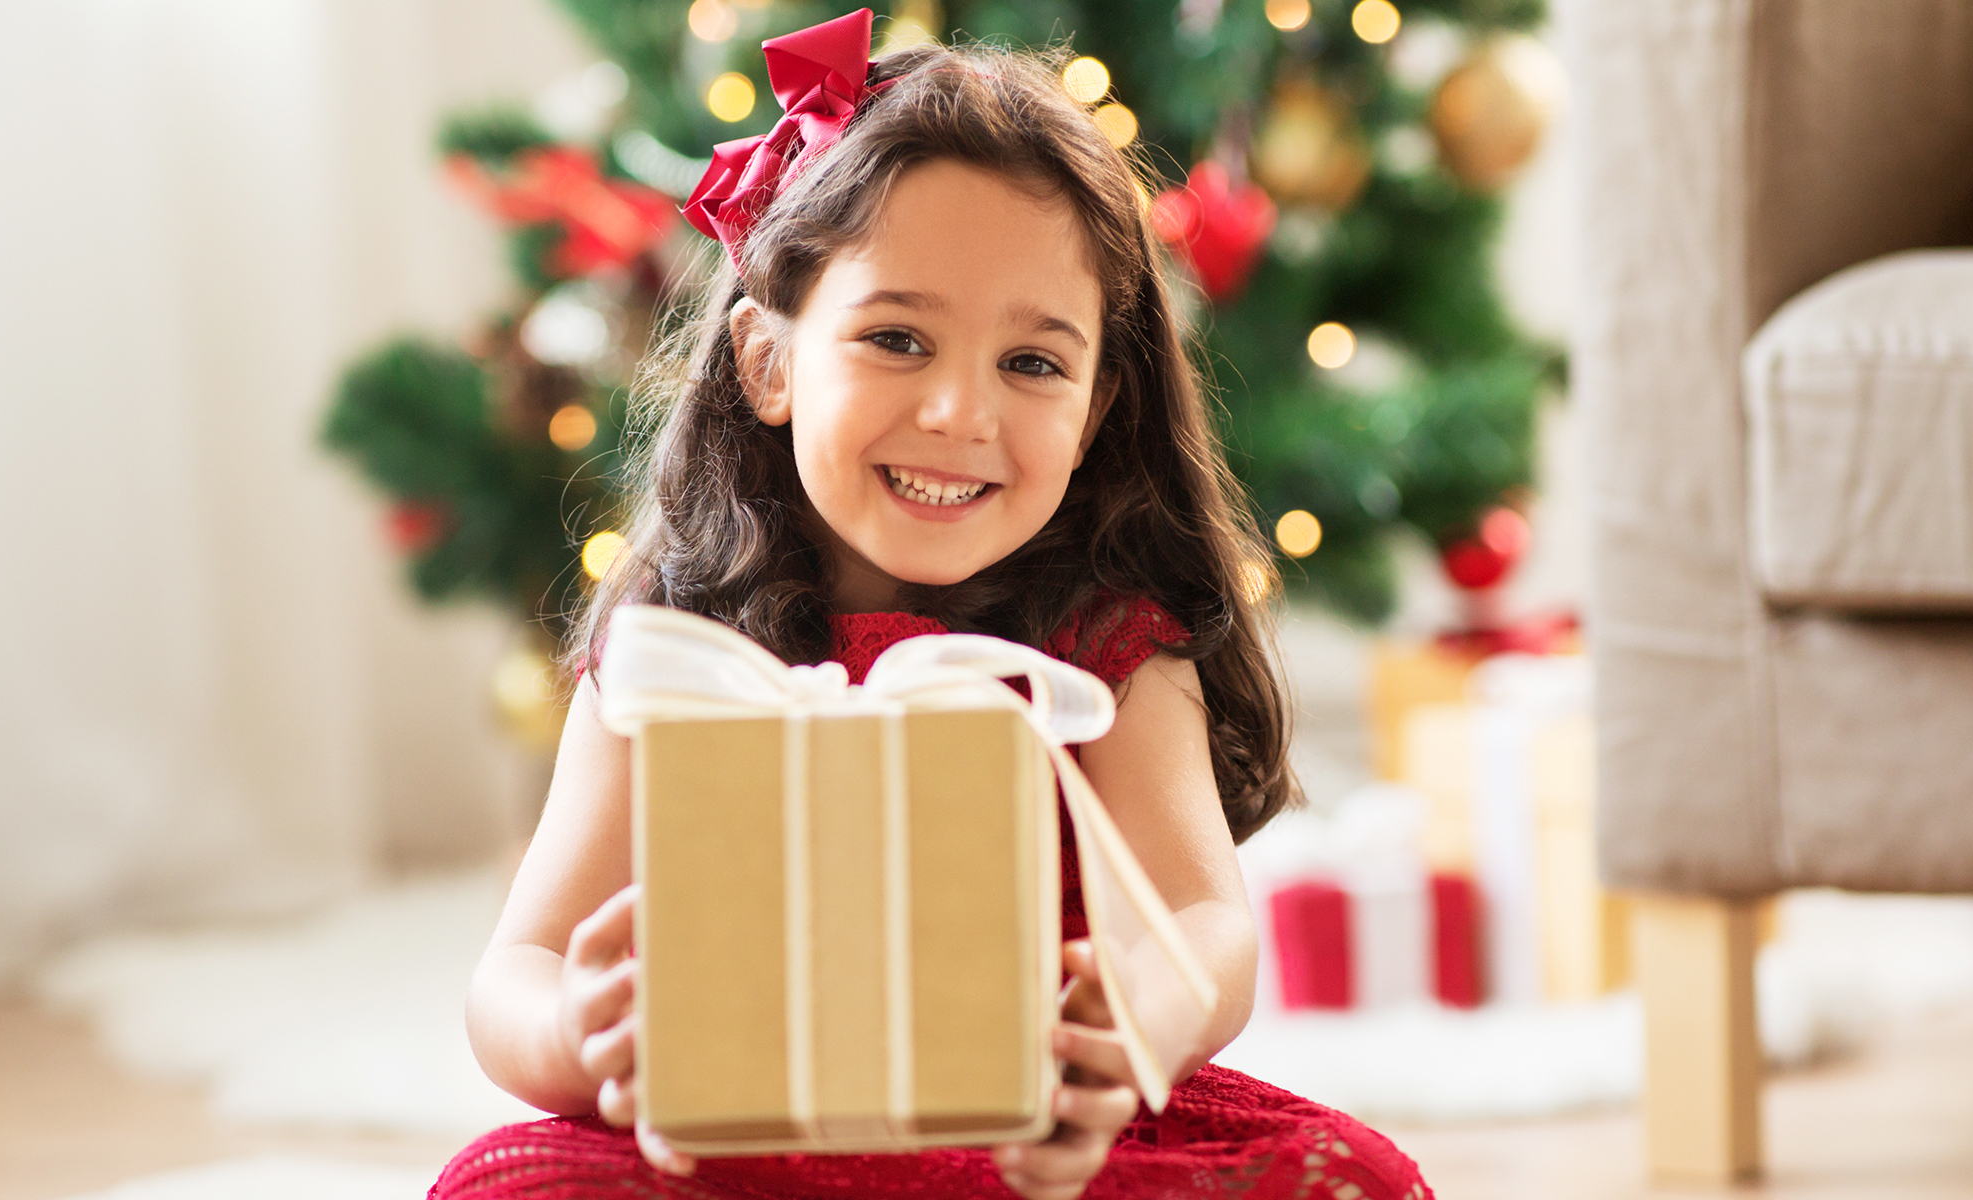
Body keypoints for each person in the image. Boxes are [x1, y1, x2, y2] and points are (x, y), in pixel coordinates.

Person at [431, 11, 1433, 1199]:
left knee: (1344, 1177)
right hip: (740, 1129)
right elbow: (520, 965)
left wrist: (1134, 1035)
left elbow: (1203, 924)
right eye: (897, 338)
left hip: (1032, 1127)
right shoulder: (679, 641)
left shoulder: (1105, 641)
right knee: (507, 1184)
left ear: (1099, 403)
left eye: (1032, 362)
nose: (961, 412)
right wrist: (578, 1034)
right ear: (769, 362)